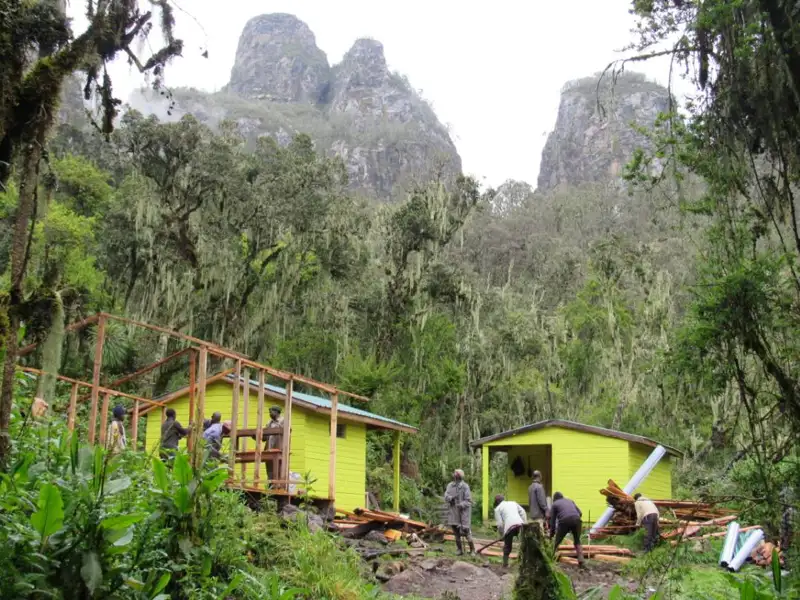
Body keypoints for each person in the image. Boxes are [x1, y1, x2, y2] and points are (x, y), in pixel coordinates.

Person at [444, 469, 476, 555]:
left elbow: (468, 501)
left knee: (466, 532)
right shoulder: (450, 485)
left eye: (456, 473)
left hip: (463, 513)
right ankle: (459, 550)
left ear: (459, 475)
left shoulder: (465, 486)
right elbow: (446, 496)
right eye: (454, 472)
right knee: (456, 533)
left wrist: (461, 504)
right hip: (453, 512)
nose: (454, 474)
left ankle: (472, 550)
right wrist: (451, 498)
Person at [550, 491, 585, 567]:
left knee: (557, 541)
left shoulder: (555, 504)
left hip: (564, 521)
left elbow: (552, 521)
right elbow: (580, 513)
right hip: (577, 520)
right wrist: (573, 523)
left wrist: (551, 534)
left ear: (554, 499)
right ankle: (581, 560)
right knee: (577, 541)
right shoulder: (570, 501)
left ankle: (550, 559)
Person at [494, 494, 527, 567]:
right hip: (520, 524)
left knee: (507, 545)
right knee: (523, 543)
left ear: (497, 502)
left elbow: (499, 524)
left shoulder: (497, 509)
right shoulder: (513, 503)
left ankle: (505, 564)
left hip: (509, 526)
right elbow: (523, 512)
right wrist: (525, 524)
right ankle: (523, 563)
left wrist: (502, 535)